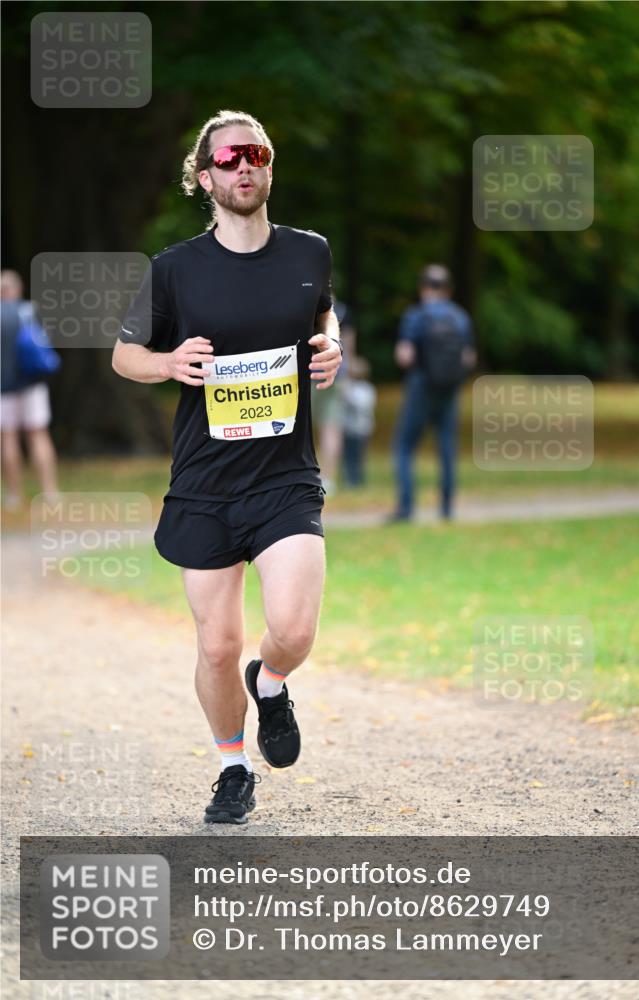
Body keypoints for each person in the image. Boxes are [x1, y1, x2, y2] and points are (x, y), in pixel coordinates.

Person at [112, 110, 343, 825]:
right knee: (216, 645)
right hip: (206, 484)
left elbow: (324, 320)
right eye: (230, 157)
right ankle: (232, 768)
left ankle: (270, 685)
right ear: (205, 175)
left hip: (284, 478)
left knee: (294, 629)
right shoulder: (174, 269)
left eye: (258, 154)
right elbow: (124, 356)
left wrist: (331, 347)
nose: (245, 166)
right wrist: (168, 361)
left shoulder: (309, 254)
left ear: (269, 166)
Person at [390, 264, 476, 521]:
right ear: (448, 289)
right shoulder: (460, 317)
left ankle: (406, 509)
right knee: (447, 447)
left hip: (420, 386)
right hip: (449, 389)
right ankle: (447, 509)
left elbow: (404, 355)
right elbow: (469, 358)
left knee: (404, 446)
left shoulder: (416, 315)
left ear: (423, 288)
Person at [0, 270, 60, 510]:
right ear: (17, 289)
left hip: (3, 388)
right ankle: (50, 492)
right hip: (32, 383)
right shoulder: (29, 311)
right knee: (39, 435)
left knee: (9, 438)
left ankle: (14, 495)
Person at [310, 296, 356, 495]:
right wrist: (348, 376)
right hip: (334, 374)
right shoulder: (344, 311)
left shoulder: (306, 306)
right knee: (331, 428)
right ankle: (328, 479)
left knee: (299, 428)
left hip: (306, 372)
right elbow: (350, 348)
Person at [341, 355, 376, 487]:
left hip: (361, 429)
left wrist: (347, 394)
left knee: (357, 456)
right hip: (349, 428)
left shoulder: (366, 389)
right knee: (348, 456)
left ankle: (357, 480)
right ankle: (349, 479)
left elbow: (361, 405)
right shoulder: (352, 386)